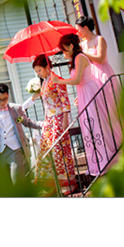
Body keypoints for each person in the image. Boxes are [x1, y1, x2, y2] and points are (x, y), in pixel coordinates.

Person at [53, 34, 123, 176]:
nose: (64, 54)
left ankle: (107, 160)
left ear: (71, 46)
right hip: (84, 93)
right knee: (90, 127)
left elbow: (78, 79)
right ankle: (99, 161)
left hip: (89, 91)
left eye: (64, 50)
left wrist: (59, 81)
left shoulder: (79, 57)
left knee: (96, 125)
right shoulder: (76, 59)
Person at [0, 83, 42, 185]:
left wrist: (42, 124)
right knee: (5, 185)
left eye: (4, 99)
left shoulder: (16, 109)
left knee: (17, 182)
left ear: (8, 96)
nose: (2, 102)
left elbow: (27, 122)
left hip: (15, 150)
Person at [32, 54, 77, 193]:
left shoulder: (57, 79)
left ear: (47, 67)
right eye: (37, 71)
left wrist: (65, 119)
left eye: (40, 70)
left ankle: (68, 183)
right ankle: (50, 183)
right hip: (49, 120)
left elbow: (64, 100)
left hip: (58, 118)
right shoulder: (45, 82)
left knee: (60, 151)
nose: (38, 73)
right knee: (46, 150)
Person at [74, 16, 116, 85]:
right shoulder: (82, 44)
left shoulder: (99, 39)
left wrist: (83, 53)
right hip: (91, 77)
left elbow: (101, 59)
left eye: (78, 30)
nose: (77, 33)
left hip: (103, 73)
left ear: (85, 28)